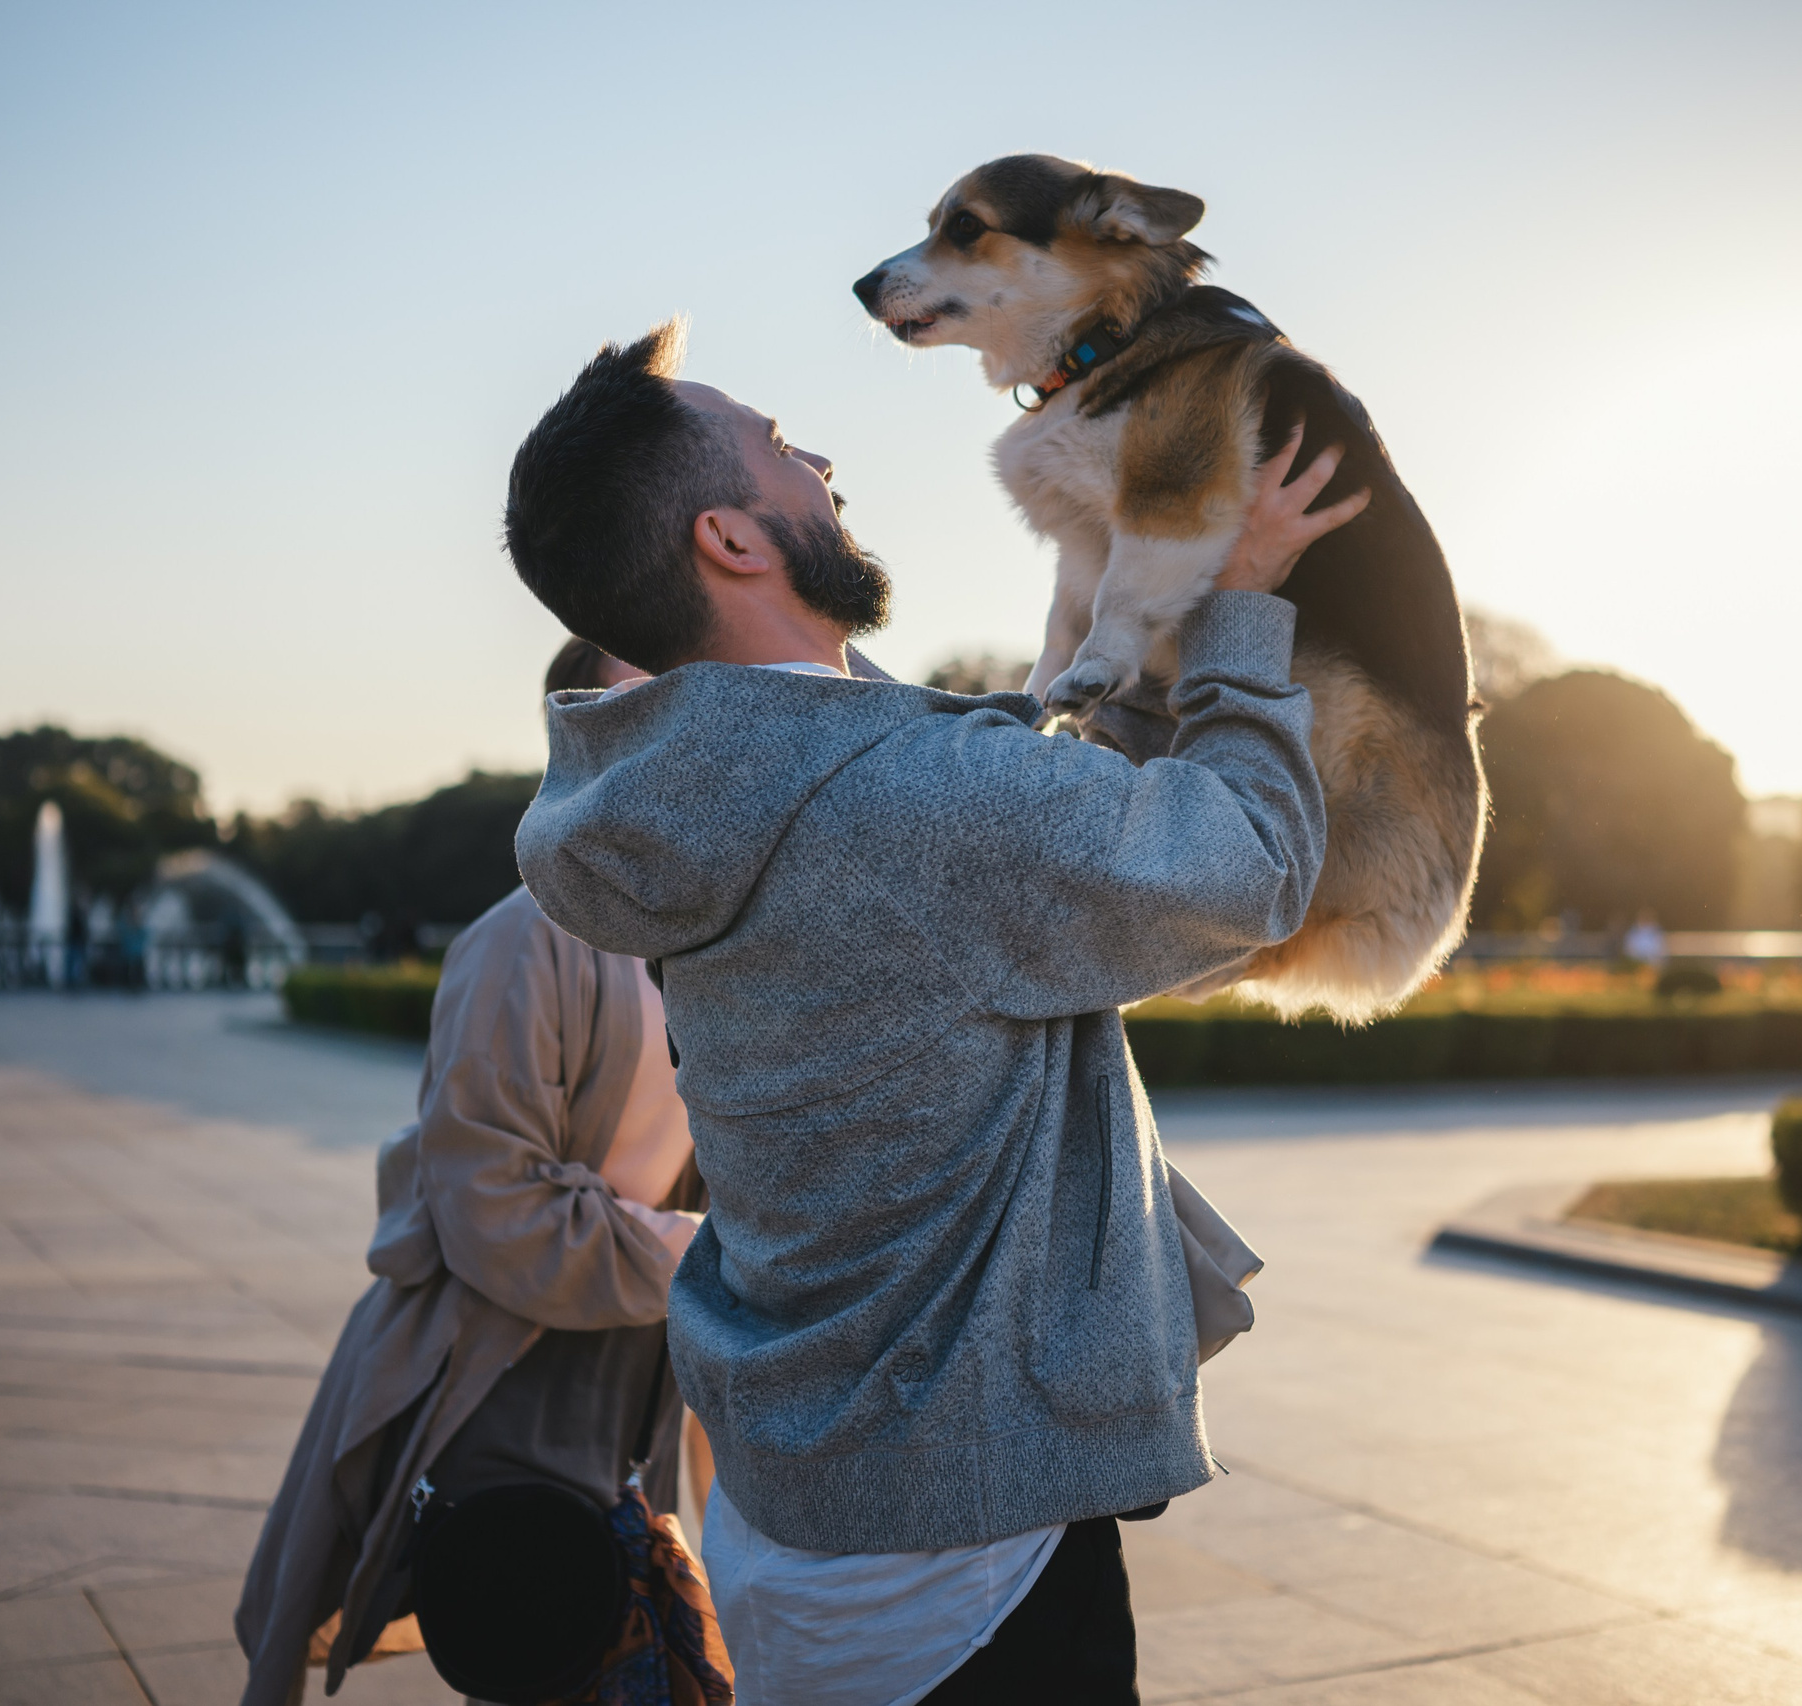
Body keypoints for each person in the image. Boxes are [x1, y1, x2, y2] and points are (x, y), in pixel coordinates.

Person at [502, 321, 1363, 1704]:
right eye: (784, 449)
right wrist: (1239, 600)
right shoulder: (920, 805)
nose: (825, 463)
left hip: (799, 1523)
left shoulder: (680, 791)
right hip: (972, 1565)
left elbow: (961, 801)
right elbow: (1254, 864)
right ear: (732, 540)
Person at [235, 637, 721, 1706]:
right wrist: (706, 1258)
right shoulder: (521, 942)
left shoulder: (709, 940)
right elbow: (495, 1209)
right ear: (581, 734)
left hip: (632, 1369)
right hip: (504, 1373)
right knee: (544, 1642)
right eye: (651, 697)